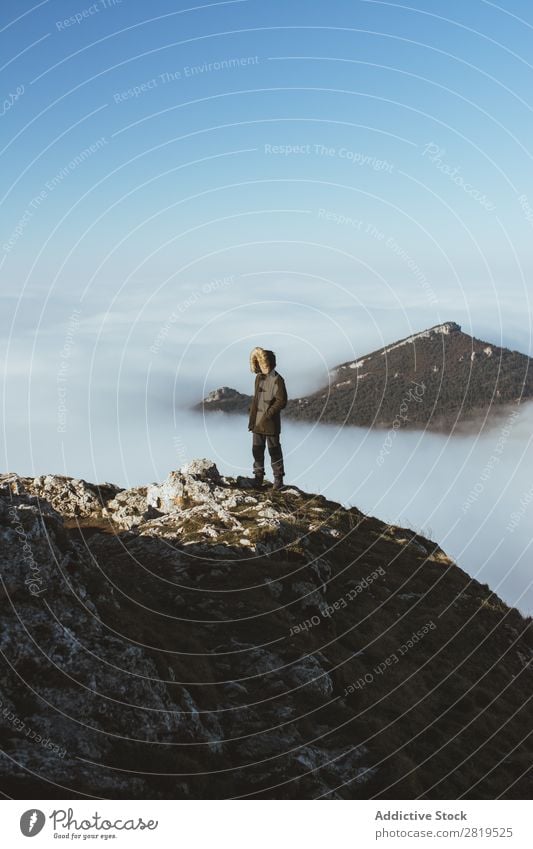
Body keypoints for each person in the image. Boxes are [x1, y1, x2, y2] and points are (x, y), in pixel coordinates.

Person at [247, 347, 288, 490]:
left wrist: (269, 414)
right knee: (256, 450)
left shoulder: (278, 380)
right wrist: (252, 412)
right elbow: (257, 398)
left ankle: (278, 481)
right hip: (257, 422)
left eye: (263, 363)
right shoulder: (258, 378)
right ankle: (258, 478)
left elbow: (282, 401)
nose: (261, 366)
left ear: (270, 363)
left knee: (274, 451)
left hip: (271, 424)